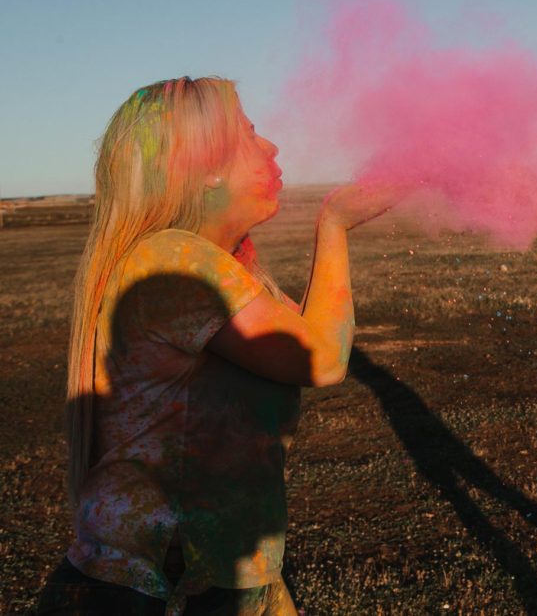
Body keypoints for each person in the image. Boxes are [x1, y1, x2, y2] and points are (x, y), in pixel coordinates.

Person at [36, 77, 393, 615]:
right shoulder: (173, 258)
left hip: (219, 576)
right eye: (249, 135)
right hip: (153, 587)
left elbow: (307, 336)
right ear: (206, 170)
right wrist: (336, 223)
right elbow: (321, 357)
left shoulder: (212, 264)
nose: (270, 147)